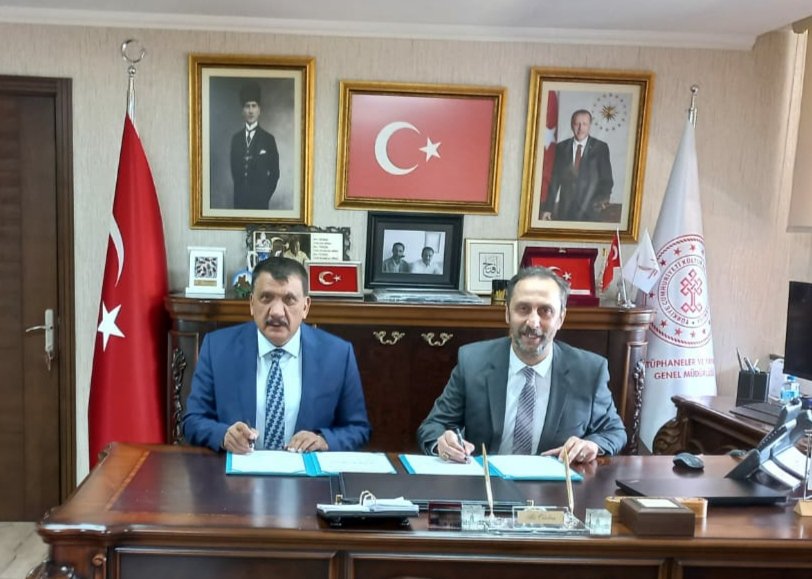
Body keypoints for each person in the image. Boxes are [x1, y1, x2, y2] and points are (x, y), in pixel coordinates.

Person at [417, 266, 626, 464]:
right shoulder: (473, 362)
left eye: (545, 311)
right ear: (507, 313)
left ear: (561, 318)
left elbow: (614, 431)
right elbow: (434, 426)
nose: (533, 322)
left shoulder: (589, 371)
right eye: (523, 309)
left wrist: (592, 445)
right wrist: (443, 443)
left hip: (555, 486)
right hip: (486, 482)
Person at [183, 257, 371, 454]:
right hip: (238, 470)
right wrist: (223, 436)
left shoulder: (338, 355)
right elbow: (192, 420)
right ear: (251, 303)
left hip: (307, 471)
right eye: (266, 298)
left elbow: (358, 429)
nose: (277, 312)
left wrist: (323, 441)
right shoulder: (217, 348)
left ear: (305, 307)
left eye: (289, 300)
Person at [541, 109, 613, 222]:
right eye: (577, 124)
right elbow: (554, 180)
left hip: (591, 212)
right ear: (571, 125)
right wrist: (548, 208)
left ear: (589, 126)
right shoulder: (561, 148)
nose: (580, 128)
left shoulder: (600, 148)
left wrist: (599, 202)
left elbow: (606, 179)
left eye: (584, 124)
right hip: (565, 211)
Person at [230, 82, 280, 210]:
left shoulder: (268, 139)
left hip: (260, 204)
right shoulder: (236, 139)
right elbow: (235, 172)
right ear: (242, 111)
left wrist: (264, 196)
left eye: (254, 106)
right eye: (247, 106)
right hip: (239, 203)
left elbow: (275, 173)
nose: (251, 111)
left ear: (259, 110)